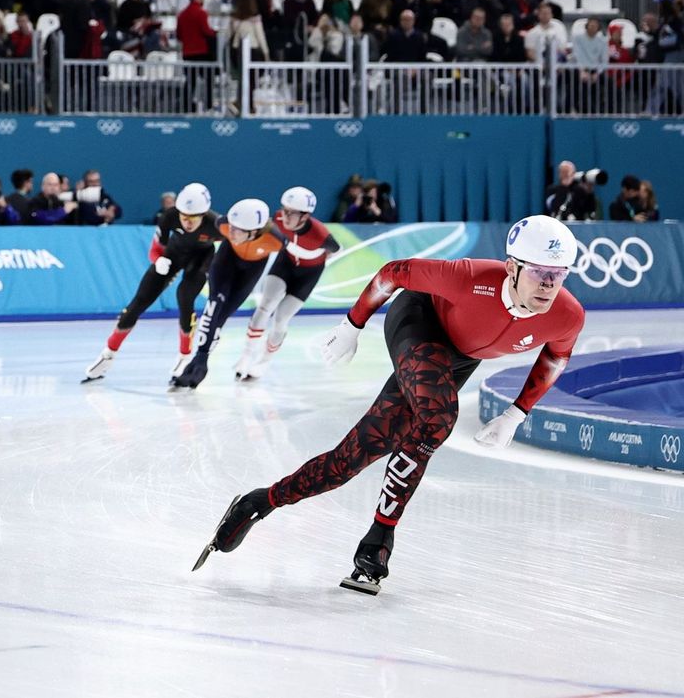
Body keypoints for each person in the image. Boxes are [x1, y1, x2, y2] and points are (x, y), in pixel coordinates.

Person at [196, 216, 585, 595]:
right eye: (539, 272)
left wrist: (516, 414)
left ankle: (258, 501)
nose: (549, 284)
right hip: (420, 321)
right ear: (512, 268)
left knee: (349, 459)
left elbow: (555, 358)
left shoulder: (567, 315)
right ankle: (379, 540)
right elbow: (393, 271)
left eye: (559, 274)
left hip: (459, 357)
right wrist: (353, 324)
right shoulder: (468, 277)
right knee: (438, 418)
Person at [85, 183, 220, 383]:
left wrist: (215, 269)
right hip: (172, 255)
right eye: (184, 218)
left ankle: (184, 356)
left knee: (185, 298)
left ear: (203, 214)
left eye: (193, 219)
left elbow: (232, 249)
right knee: (136, 304)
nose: (188, 223)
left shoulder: (215, 223)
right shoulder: (169, 216)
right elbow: (154, 250)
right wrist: (159, 260)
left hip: (200, 261)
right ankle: (107, 354)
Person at [171, 199, 283, 388]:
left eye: (237, 229)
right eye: (231, 226)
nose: (230, 232)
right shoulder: (222, 224)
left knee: (221, 317)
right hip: (226, 260)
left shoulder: (276, 240)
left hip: (251, 271)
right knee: (213, 306)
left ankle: (200, 361)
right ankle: (200, 358)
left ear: (255, 231)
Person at [237, 187, 340, 381]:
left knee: (280, 319)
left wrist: (315, 258)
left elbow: (336, 250)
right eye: (284, 209)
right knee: (266, 304)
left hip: (307, 275)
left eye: (290, 212)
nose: (284, 215)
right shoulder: (276, 219)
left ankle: (264, 361)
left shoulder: (320, 235)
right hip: (285, 264)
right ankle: (246, 356)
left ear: (305, 216)